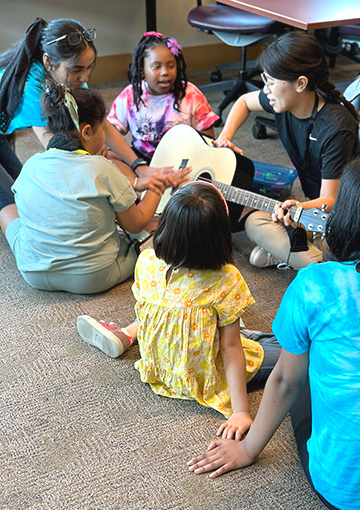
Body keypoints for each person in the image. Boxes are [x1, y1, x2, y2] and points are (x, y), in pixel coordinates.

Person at [188, 156, 360, 510]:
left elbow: (285, 382)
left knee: (300, 371)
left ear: (346, 216)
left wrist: (246, 448)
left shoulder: (315, 284)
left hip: (345, 491)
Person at [77, 182, 282, 439]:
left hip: (161, 368)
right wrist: (240, 411)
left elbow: (149, 316)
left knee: (231, 329)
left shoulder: (146, 262)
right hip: (202, 375)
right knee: (293, 351)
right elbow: (230, 349)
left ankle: (127, 334)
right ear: (219, 234)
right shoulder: (225, 279)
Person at [0, 18, 166, 226]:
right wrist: (125, 181)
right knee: (21, 211)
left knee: (26, 196)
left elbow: (100, 121)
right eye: (77, 69)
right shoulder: (32, 90)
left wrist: (138, 165)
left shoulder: (68, 77)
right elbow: (58, 153)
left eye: (89, 67)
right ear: (48, 62)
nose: (84, 77)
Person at [0, 83, 189, 295]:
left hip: (33, 273)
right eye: (103, 129)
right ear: (87, 132)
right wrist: (158, 185)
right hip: (92, 277)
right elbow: (135, 224)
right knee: (153, 232)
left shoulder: (31, 165)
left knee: (7, 212)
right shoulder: (102, 168)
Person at [215, 32, 360, 270]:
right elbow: (243, 102)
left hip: (343, 217)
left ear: (301, 83)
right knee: (253, 222)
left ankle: (318, 265)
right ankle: (300, 252)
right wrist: (225, 138)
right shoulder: (282, 100)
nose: (266, 90)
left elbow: (332, 201)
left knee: (273, 231)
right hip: (310, 209)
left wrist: (298, 208)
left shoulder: (336, 127)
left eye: (271, 83)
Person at [107, 31, 219, 163]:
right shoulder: (130, 95)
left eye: (171, 66)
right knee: (108, 156)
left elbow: (207, 134)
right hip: (142, 160)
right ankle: (141, 180)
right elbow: (110, 131)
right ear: (142, 70)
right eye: (156, 67)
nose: (165, 72)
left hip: (181, 160)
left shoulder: (191, 94)